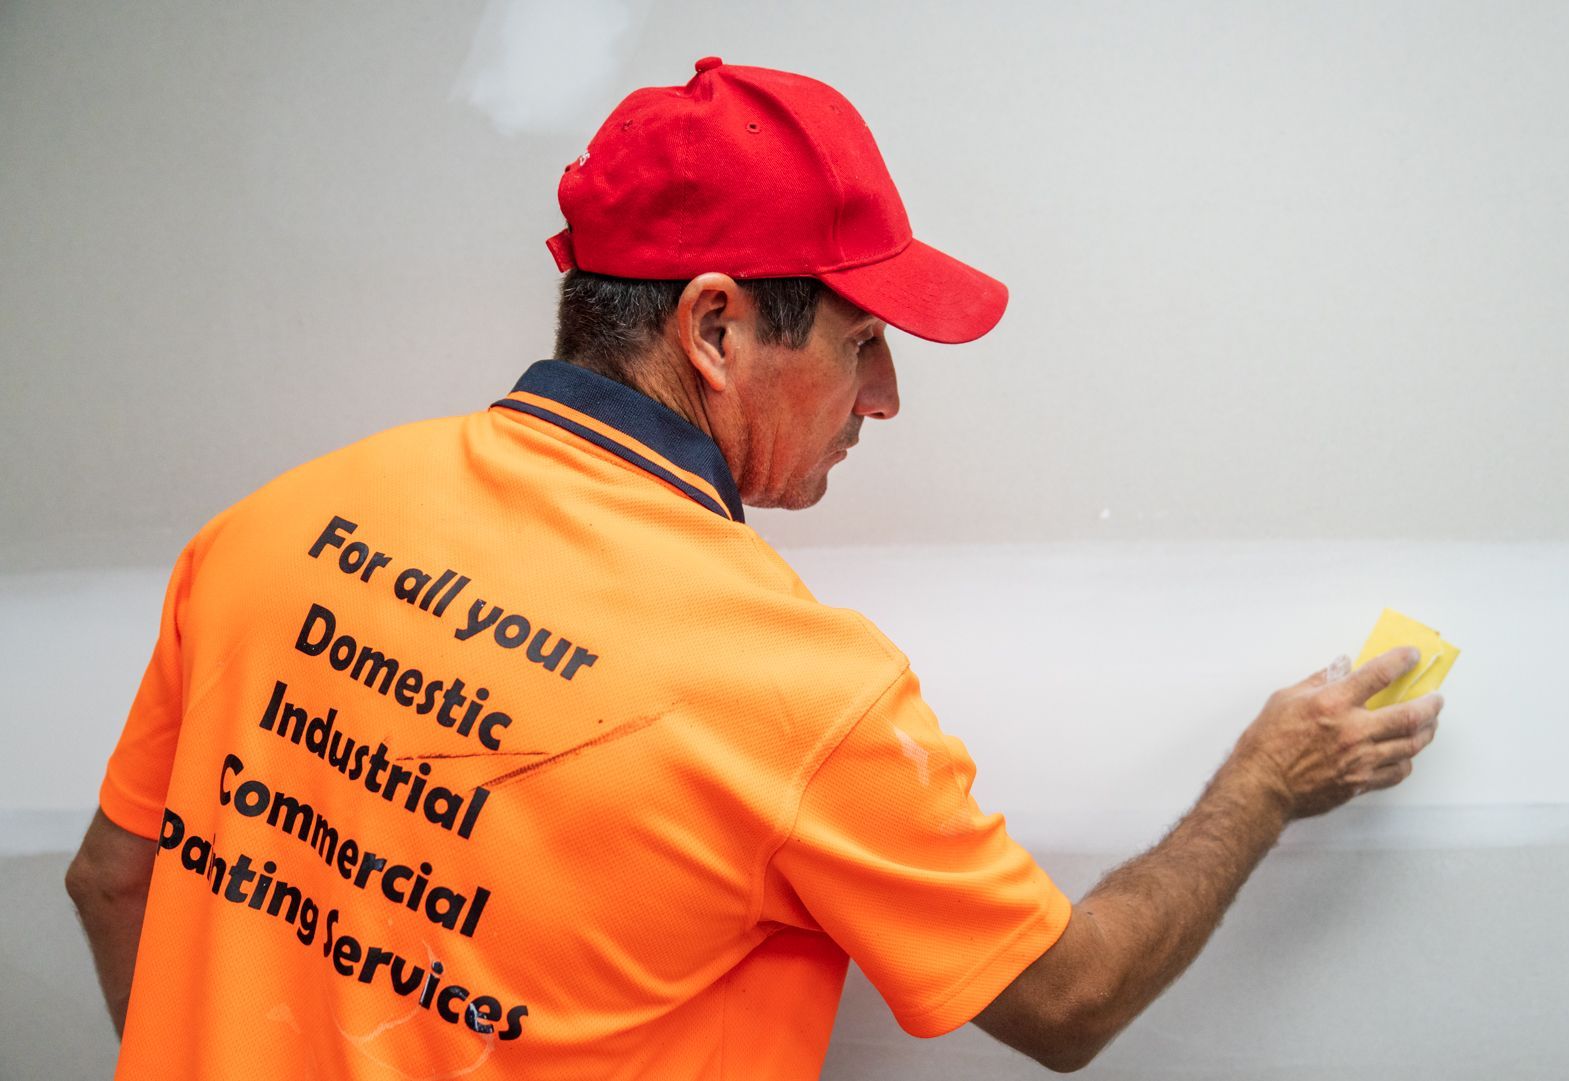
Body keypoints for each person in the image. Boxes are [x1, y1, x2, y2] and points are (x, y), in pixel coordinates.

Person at [63, 58, 1443, 1077]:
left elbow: (112, 883)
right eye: (860, 343)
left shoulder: (266, 530)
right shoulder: (796, 693)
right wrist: (1264, 780)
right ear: (715, 327)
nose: (885, 396)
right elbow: (1071, 998)